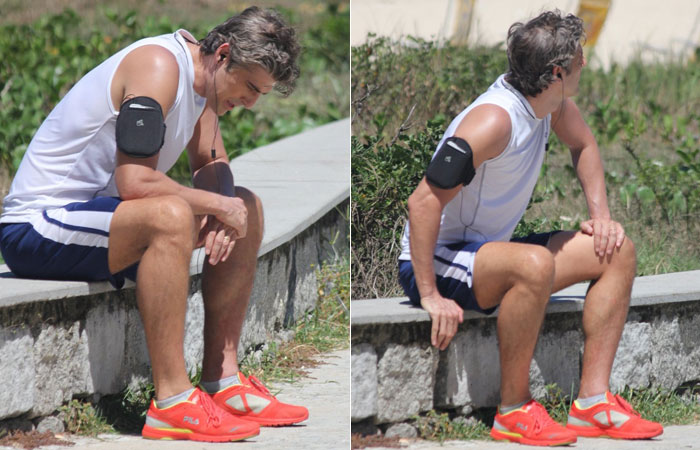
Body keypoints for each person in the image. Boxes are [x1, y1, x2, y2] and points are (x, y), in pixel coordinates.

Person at [0, 6, 308, 443]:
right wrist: (215, 206)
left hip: (104, 223)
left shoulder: (206, 84)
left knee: (247, 207)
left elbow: (210, 160)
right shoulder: (159, 66)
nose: (253, 102)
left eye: (263, 93)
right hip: (37, 226)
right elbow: (136, 181)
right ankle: (173, 402)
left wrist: (224, 207)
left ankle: (222, 382)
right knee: (171, 215)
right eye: (252, 87)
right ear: (222, 54)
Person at [398, 10, 662, 447]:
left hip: (489, 254)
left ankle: (593, 404)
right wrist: (429, 295)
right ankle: (513, 410)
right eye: (580, 58)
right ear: (557, 71)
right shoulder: (493, 121)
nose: (585, 64)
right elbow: (422, 202)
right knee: (534, 264)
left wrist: (601, 217)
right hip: (435, 260)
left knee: (617, 251)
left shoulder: (550, 103)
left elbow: (585, 145)